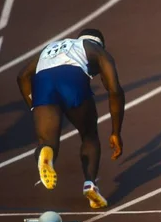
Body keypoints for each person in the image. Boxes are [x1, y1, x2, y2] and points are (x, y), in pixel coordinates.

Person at [16, 28, 125, 209]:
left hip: (43, 84)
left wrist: (35, 105)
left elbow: (22, 76)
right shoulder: (96, 50)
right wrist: (116, 132)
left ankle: (46, 155)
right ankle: (90, 184)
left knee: (47, 142)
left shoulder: (53, 47)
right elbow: (115, 91)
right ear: (100, 44)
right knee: (89, 135)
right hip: (72, 79)